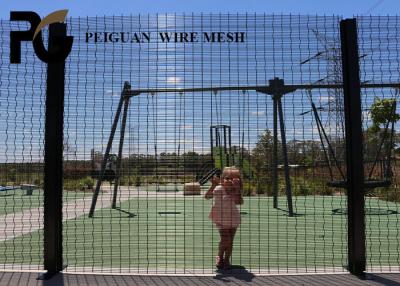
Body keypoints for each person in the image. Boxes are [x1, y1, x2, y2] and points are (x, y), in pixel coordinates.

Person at [204, 166, 244, 270]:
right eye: (228, 178)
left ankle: (226, 260)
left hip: (232, 217)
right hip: (220, 217)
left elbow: (239, 202)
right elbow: (207, 196)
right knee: (225, 239)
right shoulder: (218, 188)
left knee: (230, 240)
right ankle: (219, 257)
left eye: (235, 179)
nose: (231, 181)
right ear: (222, 179)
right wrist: (213, 185)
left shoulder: (236, 190)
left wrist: (237, 190)